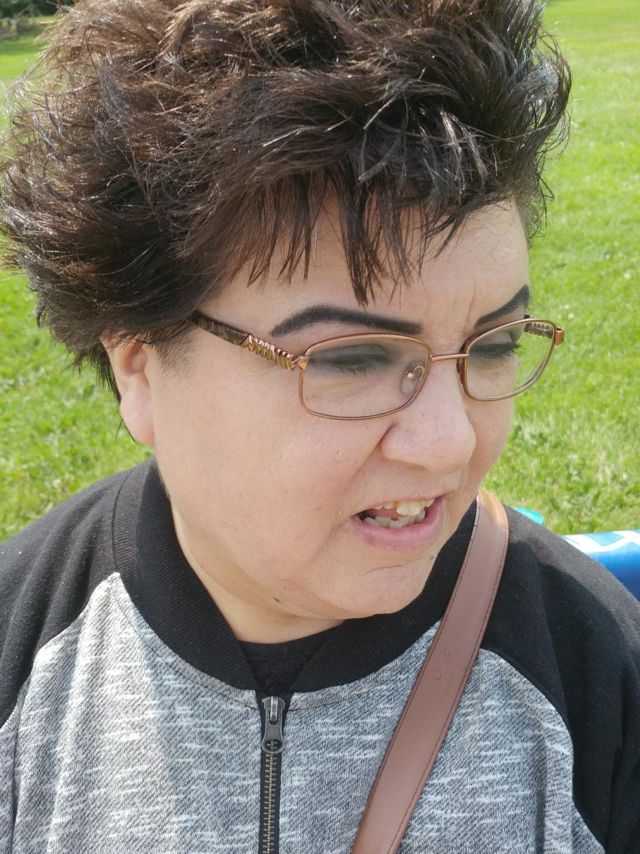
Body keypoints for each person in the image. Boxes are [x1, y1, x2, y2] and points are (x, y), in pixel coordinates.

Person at [0, 0, 638, 851]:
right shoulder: (22, 653)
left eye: (493, 346)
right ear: (139, 366)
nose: (450, 444)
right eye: (353, 359)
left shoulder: (595, 668)